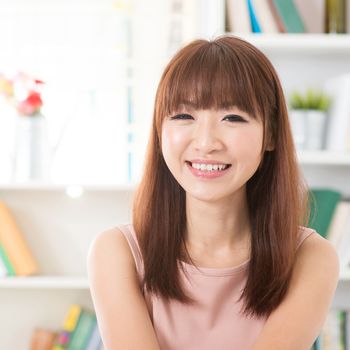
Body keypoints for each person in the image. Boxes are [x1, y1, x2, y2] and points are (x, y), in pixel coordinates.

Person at [87, 35, 339, 350]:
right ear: (159, 130)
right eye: (183, 116)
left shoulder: (311, 257)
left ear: (270, 134)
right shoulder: (117, 252)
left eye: (232, 118)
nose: (205, 142)